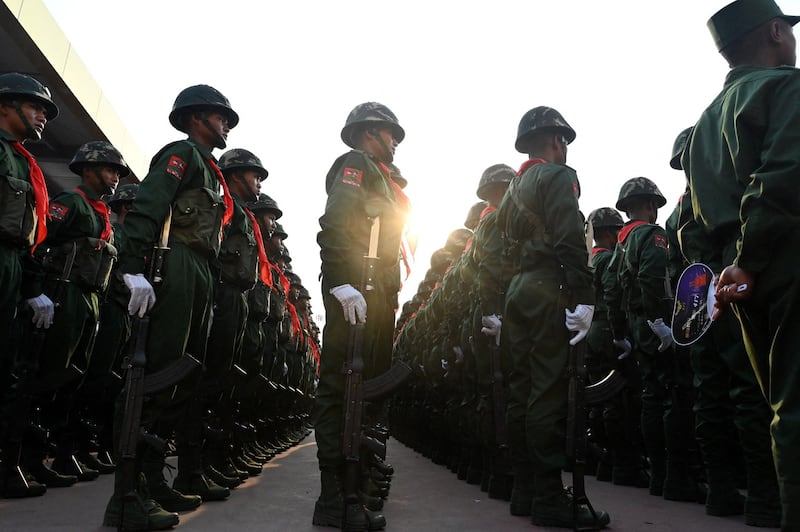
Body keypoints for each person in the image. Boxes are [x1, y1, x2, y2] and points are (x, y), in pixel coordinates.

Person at [682, 0, 800, 527]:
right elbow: (781, 179)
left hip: (738, 275)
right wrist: (751, 260)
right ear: (776, 31)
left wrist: (736, 267)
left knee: (782, 404)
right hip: (782, 254)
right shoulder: (786, 88)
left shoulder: (704, 123)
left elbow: (697, 222)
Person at [103, 84, 239, 530]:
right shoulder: (180, 154)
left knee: (182, 377)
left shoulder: (210, 168)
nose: (225, 125)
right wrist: (130, 266)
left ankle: (149, 477)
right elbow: (149, 206)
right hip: (175, 262)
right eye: (220, 117)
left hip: (199, 270)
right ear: (196, 117)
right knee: (157, 372)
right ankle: (126, 495)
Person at [495, 106, 610, 529]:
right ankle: (548, 496)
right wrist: (584, 296)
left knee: (523, 392)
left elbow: (502, 252)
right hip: (547, 287)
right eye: (563, 141)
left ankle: (525, 490)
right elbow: (567, 237)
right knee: (546, 391)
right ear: (556, 140)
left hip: (518, 291)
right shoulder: (559, 177)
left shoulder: (513, 189)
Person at [314, 102, 411, 530]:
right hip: (356, 287)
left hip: (375, 292)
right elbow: (336, 220)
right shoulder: (356, 164)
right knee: (341, 387)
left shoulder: (382, 178)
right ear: (371, 131)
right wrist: (339, 280)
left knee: (365, 389)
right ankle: (335, 494)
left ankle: (357, 484)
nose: (394, 142)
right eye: (390, 133)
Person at [21, 141, 129, 489]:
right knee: (52, 375)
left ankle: (65, 452)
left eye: (116, 171)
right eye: (109, 169)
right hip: (66, 294)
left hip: (91, 299)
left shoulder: (101, 216)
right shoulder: (71, 203)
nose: (114, 176)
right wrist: (35, 289)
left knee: (77, 379)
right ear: (87, 170)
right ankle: (28, 457)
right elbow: (39, 242)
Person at [0, 72, 58, 498]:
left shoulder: (21, 160)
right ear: (5, 105)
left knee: (8, 369)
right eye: (35, 106)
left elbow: (29, 235)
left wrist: (31, 285)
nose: (42, 115)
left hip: (12, 265)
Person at [584, 207, 648, 489]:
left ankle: (603, 461)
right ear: (610, 234)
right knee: (618, 400)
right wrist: (619, 332)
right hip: (607, 329)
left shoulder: (589, 262)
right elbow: (613, 294)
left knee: (598, 398)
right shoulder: (608, 259)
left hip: (590, 332)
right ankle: (623, 464)